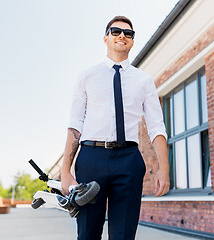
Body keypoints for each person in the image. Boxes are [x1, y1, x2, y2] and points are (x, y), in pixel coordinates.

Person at [61, 16, 169, 240]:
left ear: (132, 41)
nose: (122, 35)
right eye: (116, 31)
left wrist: (164, 168)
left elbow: (156, 126)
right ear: (106, 38)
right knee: (88, 234)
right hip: (91, 159)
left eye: (128, 33)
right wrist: (65, 170)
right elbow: (75, 125)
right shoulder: (87, 76)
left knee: (123, 236)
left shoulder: (144, 80)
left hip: (129, 160)